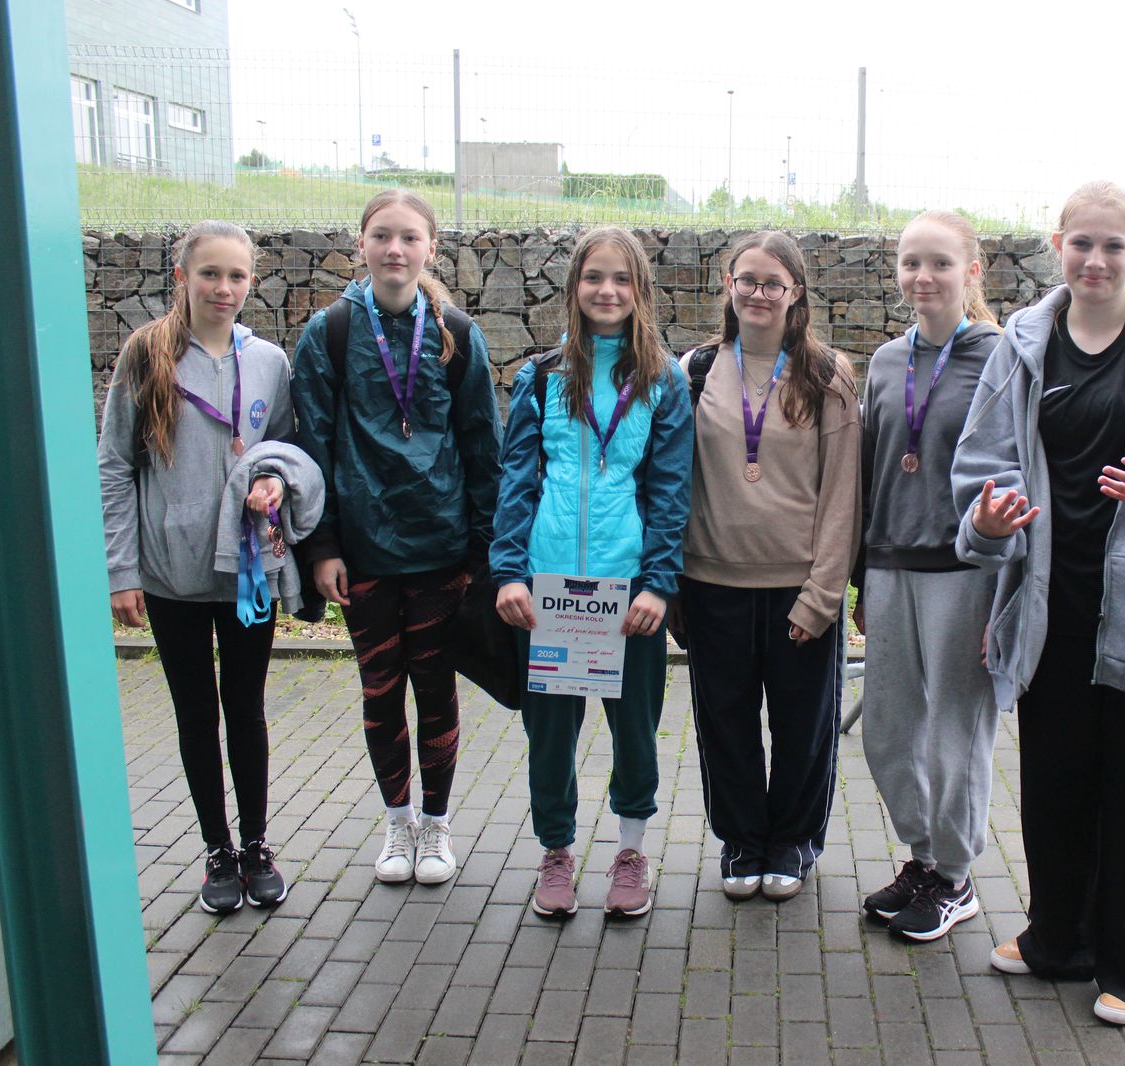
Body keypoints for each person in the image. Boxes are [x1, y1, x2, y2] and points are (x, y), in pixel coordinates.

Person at [951, 181, 1125, 1024]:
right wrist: (987, 520)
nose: (1096, 260)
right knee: (1055, 786)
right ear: (1058, 246)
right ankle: (1060, 939)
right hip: (1050, 610)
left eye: (1114, 246)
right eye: (1081, 243)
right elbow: (981, 465)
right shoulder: (1023, 344)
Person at [293, 189, 502, 887]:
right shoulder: (329, 332)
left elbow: (482, 446)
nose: (394, 249)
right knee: (380, 691)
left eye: (409, 237)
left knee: (436, 689)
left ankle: (437, 824)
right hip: (363, 554)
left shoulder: (458, 333)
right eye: (381, 235)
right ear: (360, 244)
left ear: (430, 248)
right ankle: (397, 819)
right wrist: (323, 546)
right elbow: (313, 447)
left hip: (442, 551)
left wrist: (483, 552)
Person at [492, 226, 693, 919]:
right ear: (574, 286)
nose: (607, 291)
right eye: (593, 277)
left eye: (621, 279)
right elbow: (517, 480)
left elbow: (670, 491)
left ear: (641, 290)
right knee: (550, 737)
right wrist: (508, 573)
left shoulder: (663, 380)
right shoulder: (541, 376)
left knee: (634, 731)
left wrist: (659, 584)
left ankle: (631, 853)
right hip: (548, 592)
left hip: (627, 592)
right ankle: (556, 852)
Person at [99, 220, 296, 913]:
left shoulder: (270, 362)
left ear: (252, 282)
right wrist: (122, 569)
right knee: (195, 713)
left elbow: (287, 451)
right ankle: (217, 848)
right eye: (210, 273)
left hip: (247, 572)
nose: (223, 287)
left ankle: (257, 844)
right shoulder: (145, 355)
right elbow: (115, 468)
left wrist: (275, 481)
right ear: (182, 277)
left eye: (237, 276)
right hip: (171, 574)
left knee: (246, 709)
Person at [677, 230, 861, 902]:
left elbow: (843, 496)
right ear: (728, 285)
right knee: (724, 723)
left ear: (796, 292)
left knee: (803, 726)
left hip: (797, 589)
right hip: (712, 586)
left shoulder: (827, 376)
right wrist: (673, 587)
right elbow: (673, 482)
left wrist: (823, 595)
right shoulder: (694, 371)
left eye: (773, 283)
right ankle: (741, 841)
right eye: (747, 280)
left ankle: (792, 841)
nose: (758, 293)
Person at [853, 211, 1004, 941]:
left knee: (953, 736)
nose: (923, 277)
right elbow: (870, 468)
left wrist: (1006, 597)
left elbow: (1016, 473)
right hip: (889, 567)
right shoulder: (887, 361)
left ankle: (955, 877)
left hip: (963, 570)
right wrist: (859, 576)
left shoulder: (1000, 358)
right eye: (911, 262)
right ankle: (922, 857)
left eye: (940, 263)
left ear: (971, 271)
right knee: (885, 730)